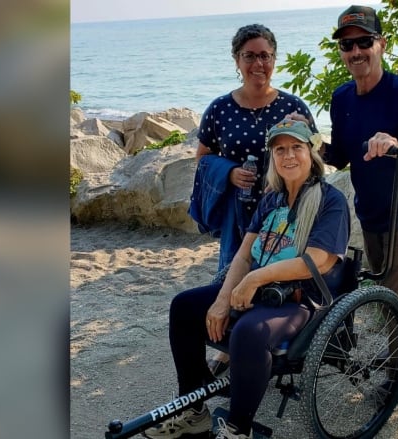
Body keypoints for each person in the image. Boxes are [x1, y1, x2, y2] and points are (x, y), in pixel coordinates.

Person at [145, 119, 350, 439]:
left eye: (296, 147)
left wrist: (255, 280)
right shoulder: (271, 200)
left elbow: (318, 260)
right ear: (273, 157)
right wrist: (223, 299)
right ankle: (194, 409)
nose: (288, 156)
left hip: (301, 299)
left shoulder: (329, 200)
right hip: (257, 290)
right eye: (280, 149)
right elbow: (242, 255)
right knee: (184, 307)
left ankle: (238, 430)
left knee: (248, 333)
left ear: (311, 152)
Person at [293, 5, 398, 373]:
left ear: (381, 45)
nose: (355, 51)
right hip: (369, 213)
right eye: (347, 45)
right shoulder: (342, 99)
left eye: (364, 42)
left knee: (389, 294)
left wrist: (396, 145)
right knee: (394, 292)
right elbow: (339, 157)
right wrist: (305, 136)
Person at [188, 23, 317, 376]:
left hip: (284, 212)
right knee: (233, 271)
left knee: (278, 275)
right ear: (236, 60)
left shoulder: (293, 106)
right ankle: (230, 347)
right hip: (240, 210)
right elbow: (202, 157)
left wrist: (303, 131)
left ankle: (271, 339)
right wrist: (228, 173)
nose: (258, 63)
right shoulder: (219, 109)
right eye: (249, 56)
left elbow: (314, 158)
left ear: (275, 59)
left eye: (265, 55)